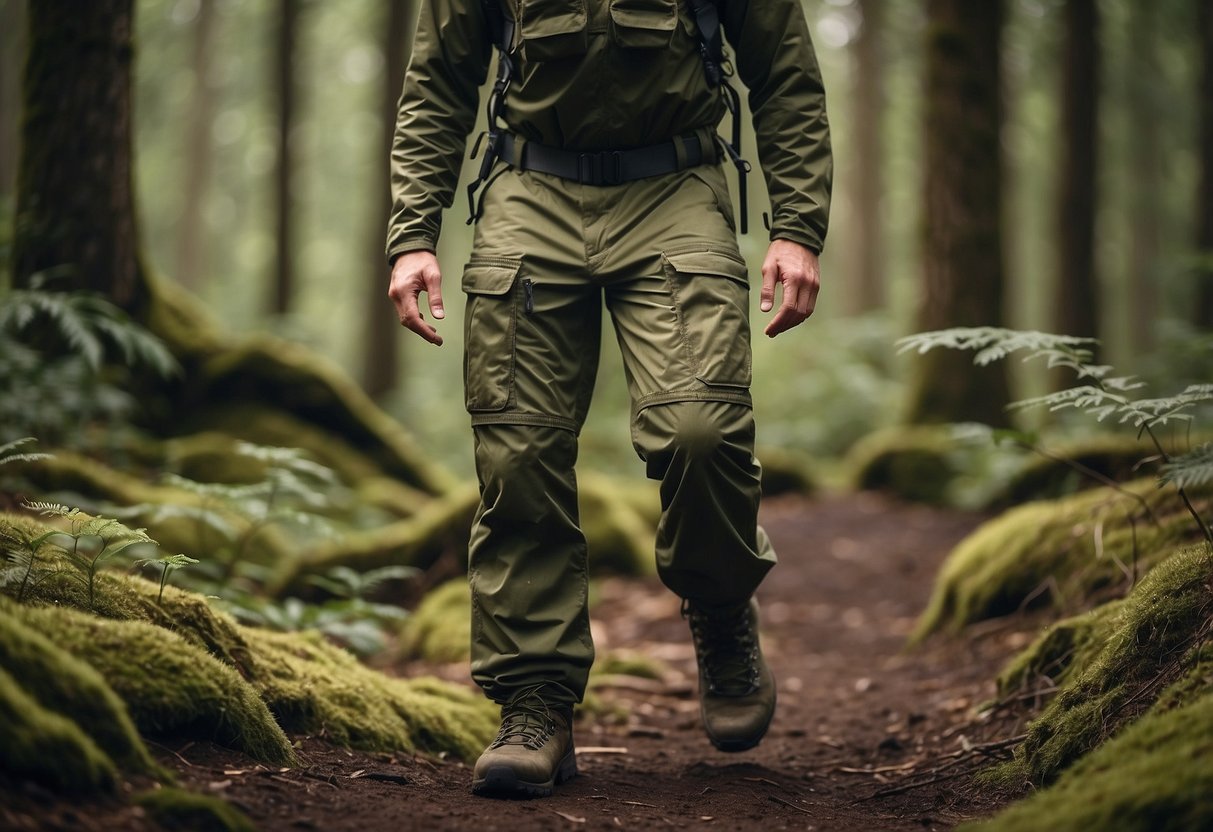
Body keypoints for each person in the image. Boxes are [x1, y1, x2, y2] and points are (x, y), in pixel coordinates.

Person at [386, 0, 831, 799]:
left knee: (701, 428)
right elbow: (437, 82)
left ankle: (719, 604)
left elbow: (785, 76)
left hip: (676, 187)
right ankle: (535, 702)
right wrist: (413, 234)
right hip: (530, 189)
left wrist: (796, 226)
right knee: (517, 454)